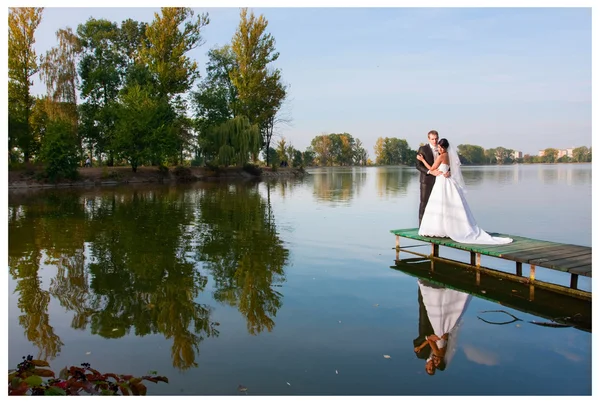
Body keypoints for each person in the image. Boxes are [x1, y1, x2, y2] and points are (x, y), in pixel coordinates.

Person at [416, 138, 513, 245]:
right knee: (445, 205)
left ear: (444, 148)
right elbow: (450, 168)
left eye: (440, 147)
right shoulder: (448, 155)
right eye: (438, 147)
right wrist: (447, 171)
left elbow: (432, 168)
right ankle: (445, 228)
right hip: (446, 181)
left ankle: (441, 228)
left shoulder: (442, 156)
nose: (438, 149)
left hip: (442, 182)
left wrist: (422, 160)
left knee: (440, 204)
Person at [413, 279, 472, 376]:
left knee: (424, 304)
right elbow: (444, 341)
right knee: (440, 309)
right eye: (433, 369)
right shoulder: (440, 354)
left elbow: (416, 342)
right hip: (439, 326)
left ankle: (424, 284)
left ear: (426, 366)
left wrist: (426, 339)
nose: (432, 366)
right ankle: (442, 288)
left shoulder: (421, 355)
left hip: (426, 326)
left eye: (429, 368)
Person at [416, 130, 449, 226]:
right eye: (432, 139)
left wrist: (448, 171)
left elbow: (447, 162)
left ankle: (435, 226)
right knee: (424, 203)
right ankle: (421, 226)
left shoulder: (442, 148)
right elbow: (418, 165)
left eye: (436, 139)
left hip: (440, 180)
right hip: (426, 180)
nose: (434, 141)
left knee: (438, 204)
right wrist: (430, 172)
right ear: (428, 139)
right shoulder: (423, 149)